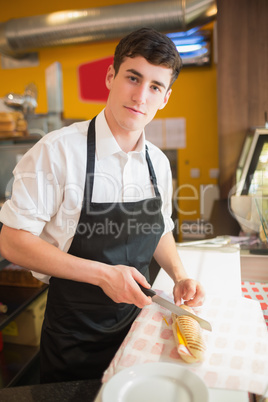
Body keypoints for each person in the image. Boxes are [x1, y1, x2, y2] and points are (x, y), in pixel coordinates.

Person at [0, 27, 205, 383]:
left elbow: (159, 228)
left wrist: (179, 274)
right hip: (73, 340)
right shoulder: (58, 151)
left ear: (165, 97)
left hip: (137, 329)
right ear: (111, 76)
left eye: (155, 86)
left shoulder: (157, 162)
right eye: (133, 77)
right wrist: (104, 275)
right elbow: (13, 241)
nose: (141, 96)